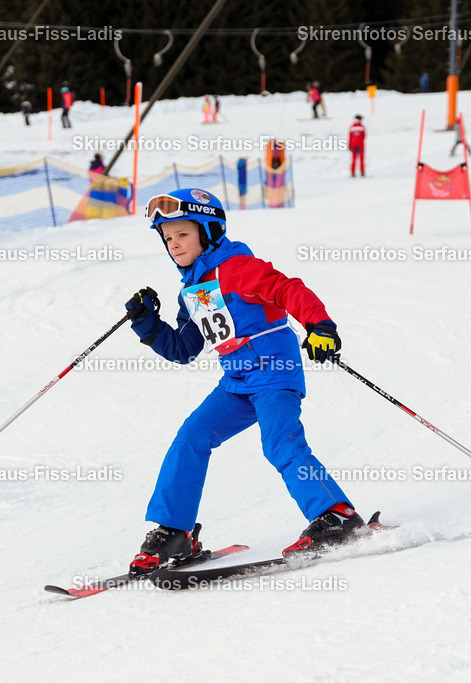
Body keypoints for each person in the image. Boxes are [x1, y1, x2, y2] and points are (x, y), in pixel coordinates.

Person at [124, 188, 363, 576]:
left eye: (182, 234)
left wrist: (320, 325)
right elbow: (184, 348)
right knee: (191, 438)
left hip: (273, 372)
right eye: (167, 237)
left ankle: (336, 515)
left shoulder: (237, 267)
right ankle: (175, 530)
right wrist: (147, 324)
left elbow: (287, 289)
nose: (173, 244)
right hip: (236, 381)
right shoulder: (192, 288)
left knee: (279, 443)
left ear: (209, 231)